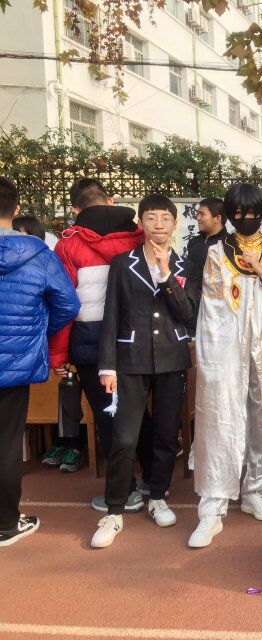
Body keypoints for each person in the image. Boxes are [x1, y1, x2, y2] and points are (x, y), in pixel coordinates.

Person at [90, 195, 199, 548]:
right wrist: (107, 365)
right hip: (129, 361)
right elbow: (111, 314)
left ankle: (158, 496)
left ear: (175, 224)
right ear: (141, 223)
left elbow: (187, 313)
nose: (158, 224)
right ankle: (114, 510)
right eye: (151, 217)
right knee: (124, 437)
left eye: (165, 218)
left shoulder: (184, 265)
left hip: (171, 359)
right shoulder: (123, 264)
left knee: (166, 435)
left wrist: (167, 275)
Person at [189, 183, 262, 548]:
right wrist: (214, 357)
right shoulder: (217, 252)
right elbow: (212, 308)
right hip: (227, 345)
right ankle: (213, 505)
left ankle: (254, 490)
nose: (245, 219)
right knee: (222, 414)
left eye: (252, 213)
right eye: (238, 214)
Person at [48, 178, 151, 506]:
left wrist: (59, 355)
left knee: (108, 416)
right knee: (139, 412)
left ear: (75, 208)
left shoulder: (68, 245)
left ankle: (125, 491)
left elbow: (64, 303)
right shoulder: (140, 236)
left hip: (90, 342)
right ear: (110, 200)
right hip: (138, 339)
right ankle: (153, 482)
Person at [0, 177, 79, 547]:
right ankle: (5, 524)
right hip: (15, 361)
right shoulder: (38, 254)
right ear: (16, 210)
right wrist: (38, 332)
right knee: (7, 442)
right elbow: (68, 304)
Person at [185, 197, 227, 274]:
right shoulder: (193, 242)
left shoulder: (229, 244)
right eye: (198, 214)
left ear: (217, 218)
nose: (198, 218)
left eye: (202, 214)